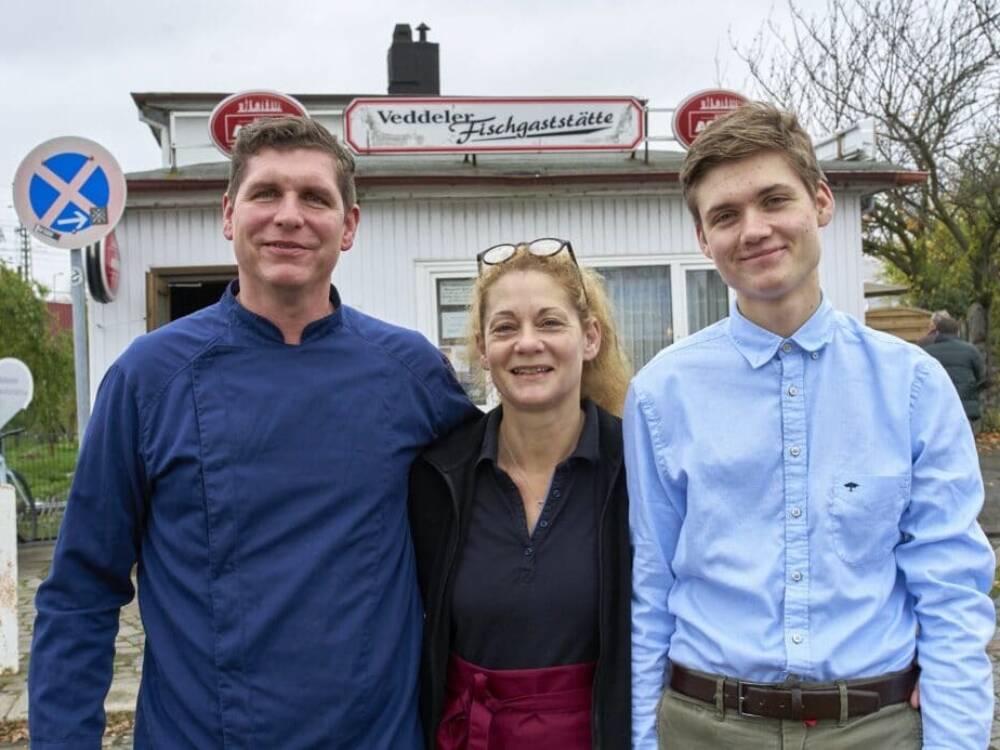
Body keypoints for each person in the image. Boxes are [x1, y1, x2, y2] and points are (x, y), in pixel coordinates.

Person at [29, 116, 476, 748]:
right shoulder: (149, 378)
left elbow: (499, 520)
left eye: (315, 198)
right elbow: (80, 593)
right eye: (266, 193)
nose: (289, 216)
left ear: (348, 227)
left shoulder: (412, 374)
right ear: (228, 214)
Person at [626, 103, 995, 749]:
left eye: (774, 199)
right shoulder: (663, 392)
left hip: (877, 728)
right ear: (702, 240)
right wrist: (641, 736)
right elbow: (651, 580)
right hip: (703, 727)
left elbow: (950, 584)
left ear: (821, 201)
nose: (755, 229)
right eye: (726, 215)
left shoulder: (912, 385)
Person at [408, 239, 632, 749]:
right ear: (484, 351)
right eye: (505, 327)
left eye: (550, 322)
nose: (527, 343)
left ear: (590, 337)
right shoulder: (438, 478)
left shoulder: (638, 468)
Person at [923, 310, 988, 429]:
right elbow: (982, 377)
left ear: (938, 332)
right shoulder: (971, 350)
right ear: (957, 331)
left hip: (938, 407)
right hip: (966, 407)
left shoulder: (927, 352)